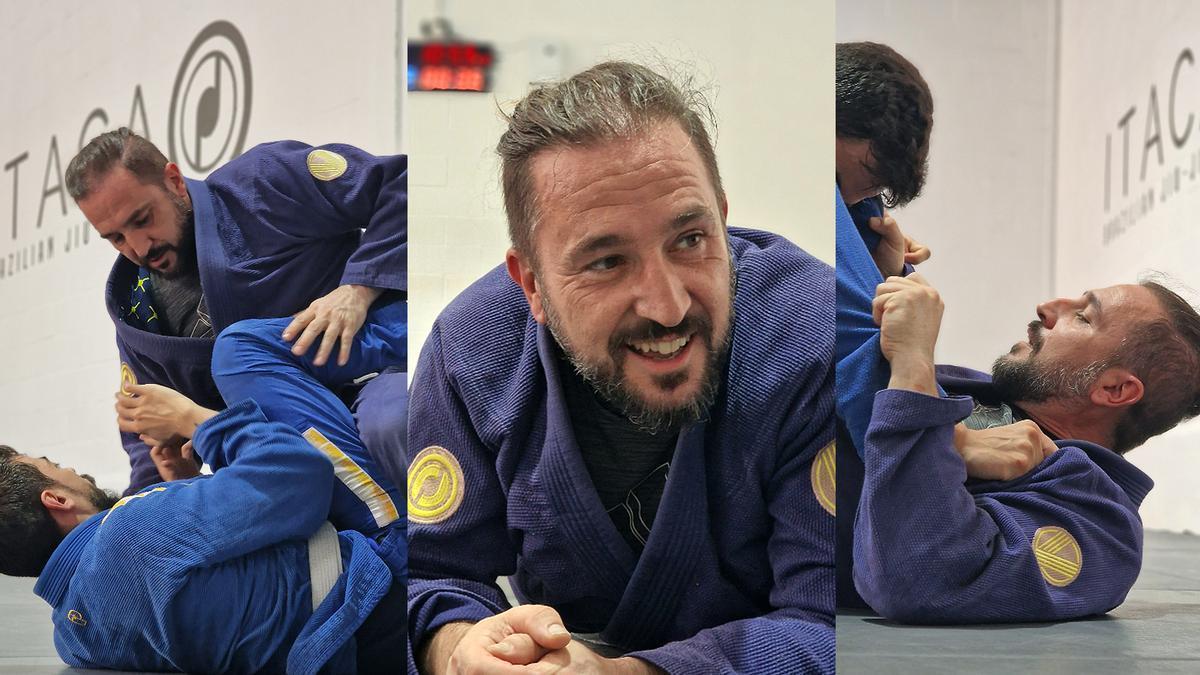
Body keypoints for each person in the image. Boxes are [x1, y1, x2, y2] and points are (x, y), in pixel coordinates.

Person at [405, 61, 835, 674]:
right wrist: (459, 650)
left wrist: (622, 673)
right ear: (531, 283)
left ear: (722, 213)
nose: (669, 306)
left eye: (690, 239)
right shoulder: (471, 352)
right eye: (607, 262)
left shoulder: (810, 339)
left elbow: (827, 622)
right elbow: (430, 573)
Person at [834, 190, 1200, 622]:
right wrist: (883, 275)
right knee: (855, 208)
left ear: (1115, 390)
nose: (1047, 307)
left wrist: (914, 369)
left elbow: (920, 578)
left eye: (1082, 317)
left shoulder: (1100, 526)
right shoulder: (969, 393)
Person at [65, 129, 408, 493]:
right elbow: (147, 446)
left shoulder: (262, 182)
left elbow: (397, 188)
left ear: (175, 182)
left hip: (370, 379)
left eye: (143, 219)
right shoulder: (138, 316)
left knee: (394, 421)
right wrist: (177, 474)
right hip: (279, 448)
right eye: (115, 238)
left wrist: (357, 290)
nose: (138, 247)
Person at [1, 399, 405, 674]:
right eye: (54, 465)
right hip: (380, 595)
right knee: (243, 350)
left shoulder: (72, 639)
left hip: (340, 651)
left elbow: (200, 604)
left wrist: (185, 484)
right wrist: (194, 418)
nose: (73, 469)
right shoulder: (132, 531)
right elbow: (297, 472)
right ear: (55, 498)